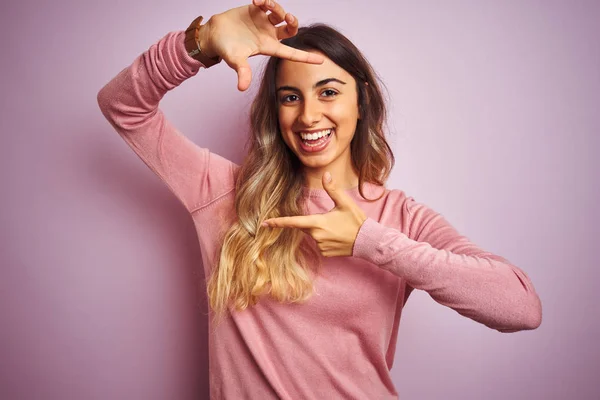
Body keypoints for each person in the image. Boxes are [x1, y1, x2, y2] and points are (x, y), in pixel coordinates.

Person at [97, 0, 543, 398]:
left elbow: (521, 307)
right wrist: (201, 43)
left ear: (362, 101)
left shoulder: (401, 217)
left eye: (329, 91)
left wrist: (370, 241)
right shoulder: (223, 193)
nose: (309, 115)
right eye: (291, 97)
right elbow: (123, 106)